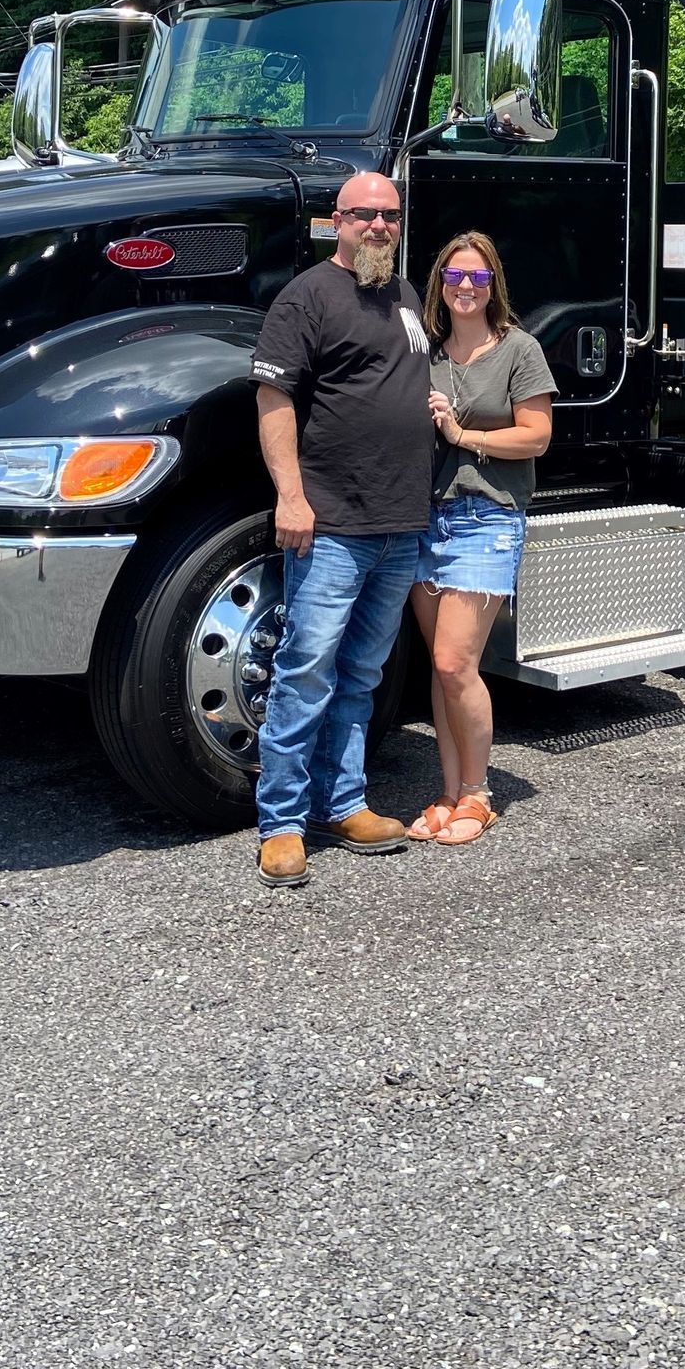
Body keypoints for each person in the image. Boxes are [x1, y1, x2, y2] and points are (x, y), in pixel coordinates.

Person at [250, 170, 433, 889]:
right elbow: (274, 399)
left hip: (399, 522)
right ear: (338, 220)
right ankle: (282, 825)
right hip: (331, 523)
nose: (379, 226)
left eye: (389, 215)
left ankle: (343, 803)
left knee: (360, 676)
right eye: (365, 215)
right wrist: (290, 497)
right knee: (305, 672)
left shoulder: (407, 295)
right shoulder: (308, 297)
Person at [407, 232, 554, 847]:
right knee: (440, 671)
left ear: (493, 286)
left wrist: (463, 435)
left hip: (487, 518)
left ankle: (478, 794)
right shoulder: (427, 354)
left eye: (478, 278)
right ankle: (447, 792)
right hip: (427, 519)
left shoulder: (519, 349)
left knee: (454, 662)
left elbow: (537, 437)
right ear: (440, 283)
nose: (466, 288)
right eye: (455, 277)